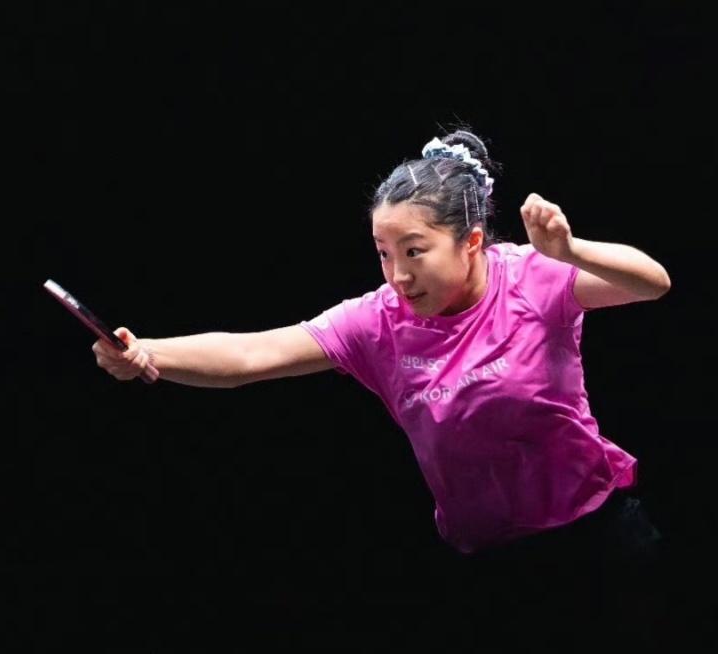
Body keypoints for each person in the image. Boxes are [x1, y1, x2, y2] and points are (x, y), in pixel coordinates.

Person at [90, 128, 673, 645]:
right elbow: (253, 353)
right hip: (492, 564)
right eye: (384, 254)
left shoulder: (531, 279)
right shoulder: (377, 321)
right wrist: (148, 352)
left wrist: (568, 251)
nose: (398, 275)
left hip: (596, 542)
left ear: (471, 242)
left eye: (414, 252)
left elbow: (653, 283)